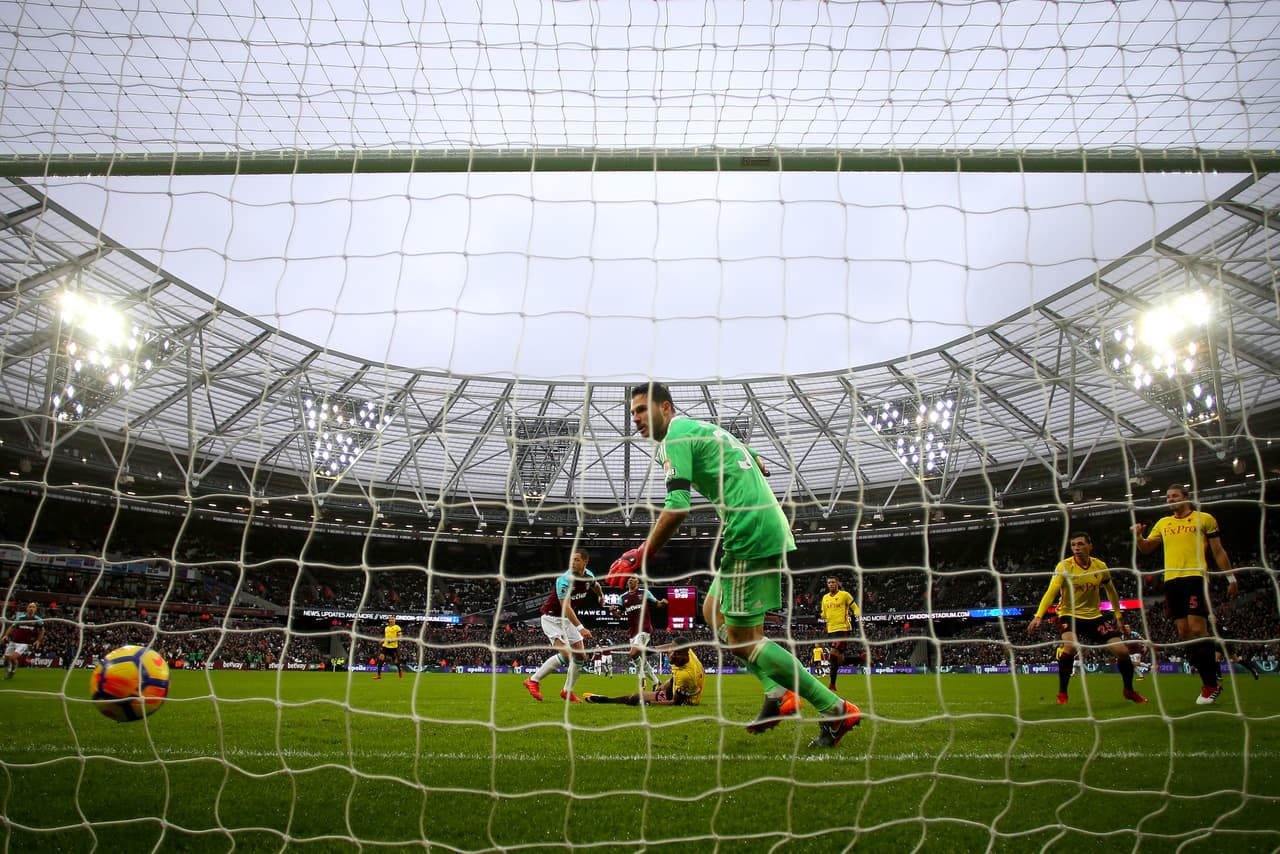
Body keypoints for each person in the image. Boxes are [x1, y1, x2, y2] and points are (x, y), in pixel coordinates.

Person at [609, 382, 860, 748]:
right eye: (632, 412)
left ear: (665, 408)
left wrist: (640, 554)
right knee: (712, 611)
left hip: (748, 529)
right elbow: (753, 457)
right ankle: (776, 691)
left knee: (745, 643)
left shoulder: (674, 438)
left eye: (642, 409)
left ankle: (835, 709)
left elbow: (678, 506)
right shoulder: (701, 428)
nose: (636, 419)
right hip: (761, 522)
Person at [1134, 483, 1238, 705]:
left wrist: (1231, 578)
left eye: (1175, 496)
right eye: (1168, 497)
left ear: (1186, 497)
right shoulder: (1163, 523)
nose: (1170, 500)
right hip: (1172, 581)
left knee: (1197, 628)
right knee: (1184, 632)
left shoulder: (1205, 519)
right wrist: (1139, 537)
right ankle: (1210, 679)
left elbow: (1218, 551)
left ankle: (1210, 684)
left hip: (1195, 577)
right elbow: (1147, 548)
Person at [1028, 532, 1146, 705]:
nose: (1077, 548)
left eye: (1081, 544)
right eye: (1074, 545)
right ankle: (1062, 693)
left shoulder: (1100, 566)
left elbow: (1111, 591)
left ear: (1090, 546)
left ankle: (1129, 690)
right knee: (1071, 646)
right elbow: (1051, 591)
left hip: (1094, 616)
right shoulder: (1064, 566)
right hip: (1069, 614)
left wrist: (1118, 616)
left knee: (1122, 651)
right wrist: (1039, 615)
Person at [524, 549, 602, 703]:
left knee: (580, 656)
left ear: (585, 562)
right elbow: (566, 607)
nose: (573, 563)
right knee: (567, 655)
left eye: (577, 560)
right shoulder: (564, 580)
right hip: (552, 618)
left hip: (567, 620)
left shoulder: (589, 576)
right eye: (572, 560)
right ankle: (533, 680)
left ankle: (567, 691)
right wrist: (581, 628)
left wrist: (601, 595)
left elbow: (596, 585)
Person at [584, 638, 704, 706]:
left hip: (685, 700)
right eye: (672, 651)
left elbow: (675, 702)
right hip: (679, 686)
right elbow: (670, 648)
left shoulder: (685, 676)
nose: (671, 655)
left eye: (676, 653)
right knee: (654, 690)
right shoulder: (686, 653)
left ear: (684, 655)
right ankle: (604, 699)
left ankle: (605, 700)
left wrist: (648, 703)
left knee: (637, 697)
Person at [617, 575, 667, 689]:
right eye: (629, 578)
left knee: (633, 653)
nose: (630, 579)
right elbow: (618, 615)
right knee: (638, 659)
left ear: (637, 581)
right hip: (633, 632)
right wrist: (613, 611)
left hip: (644, 629)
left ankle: (642, 679)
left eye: (633, 578)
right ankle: (656, 682)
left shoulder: (645, 593)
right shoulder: (622, 597)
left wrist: (663, 603)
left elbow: (657, 603)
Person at [818, 577, 859, 690]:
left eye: (833, 582)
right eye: (829, 583)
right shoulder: (825, 598)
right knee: (839, 660)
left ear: (837, 584)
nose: (831, 584)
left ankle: (832, 685)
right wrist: (819, 615)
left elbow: (855, 608)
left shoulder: (844, 595)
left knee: (832, 655)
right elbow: (824, 615)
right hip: (830, 630)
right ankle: (861, 658)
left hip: (842, 629)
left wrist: (857, 617)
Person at [2, 602, 45, 680]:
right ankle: (11, 669)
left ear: (35, 609)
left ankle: (11, 672)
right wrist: (6, 635)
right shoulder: (20, 617)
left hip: (24, 643)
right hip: (14, 641)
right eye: (30, 607)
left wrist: (38, 641)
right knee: (6, 660)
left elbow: (42, 630)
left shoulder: (38, 619)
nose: (31, 608)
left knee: (12, 658)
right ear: (27, 608)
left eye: (33, 607)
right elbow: (12, 627)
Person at [374, 615, 403, 679]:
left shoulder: (397, 627)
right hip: (385, 646)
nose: (391, 620)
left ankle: (400, 670)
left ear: (394, 620)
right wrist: (382, 640)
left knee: (395, 661)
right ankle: (379, 675)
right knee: (381, 659)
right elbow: (386, 637)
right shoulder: (386, 628)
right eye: (390, 619)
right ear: (389, 620)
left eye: (393, 619)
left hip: (393, 648)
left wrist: (392, 640)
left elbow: (400, 637)